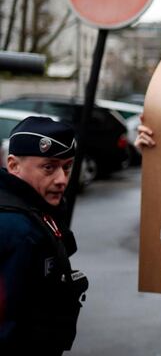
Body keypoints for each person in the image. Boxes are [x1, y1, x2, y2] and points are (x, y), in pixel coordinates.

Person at [0, 117, 88, 355]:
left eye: (67, 167)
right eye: (49, 167)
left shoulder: (36, 208)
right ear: (14, 165)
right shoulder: (17, 229)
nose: (62, 180)